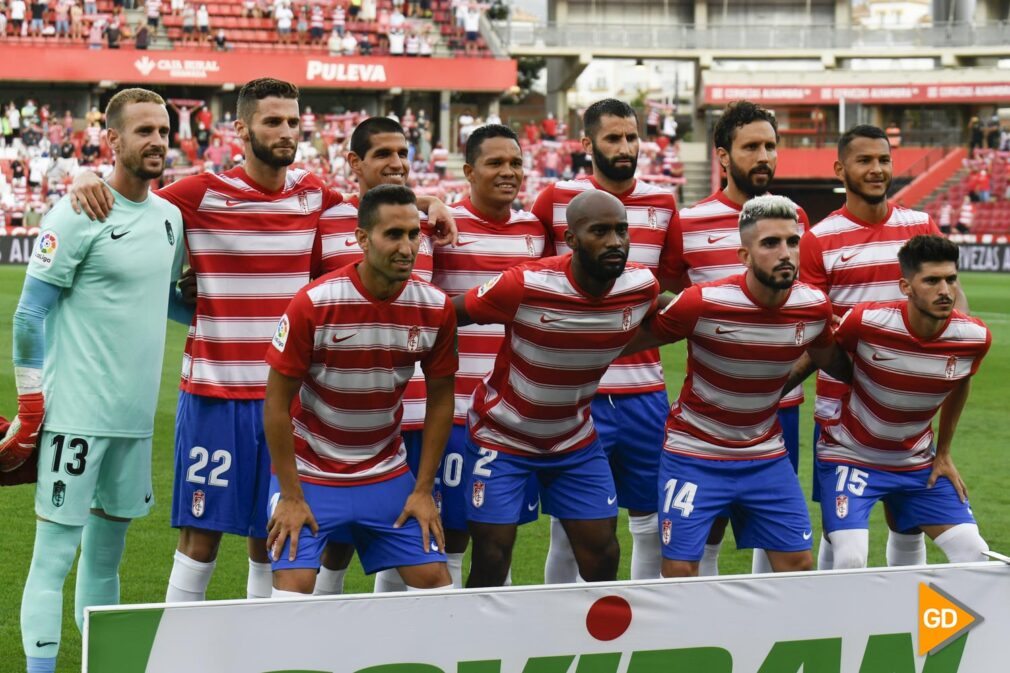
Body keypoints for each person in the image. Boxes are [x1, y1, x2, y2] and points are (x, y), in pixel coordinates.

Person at [68, 79, 457, 603]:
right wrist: (84, 177)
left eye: (293, 122)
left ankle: (257, 653)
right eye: (272, 121)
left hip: (292, 403)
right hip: (217, 395)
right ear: (241, 128)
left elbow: (377, 207)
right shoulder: (199, 193)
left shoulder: (314, 193)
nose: (285, 132)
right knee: (200, 541)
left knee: (272, 538)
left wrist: (429, 200)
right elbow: (134, 204)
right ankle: (180, 656)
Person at [7, 88, 187, 673]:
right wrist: (31, 406)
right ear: (113, 139)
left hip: (133, 424)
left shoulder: (170, 219)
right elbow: (30, 313)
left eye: (163, 130)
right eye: (143, 131)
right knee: (54, 556)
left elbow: (163, 298)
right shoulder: (77, 209)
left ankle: (95, 665)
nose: (157, 141)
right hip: (76, 418)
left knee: (108, 559)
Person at [626, 195, 845, 578]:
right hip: (695, 452)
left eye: (792, 242)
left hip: (764, 453)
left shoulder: (814, 307)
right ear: (744, 256)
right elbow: (634, 339)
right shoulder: (702, 302)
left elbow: (829, 358)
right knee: (679, 571)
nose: (786, 253)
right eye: (770, 243)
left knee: (798, 565)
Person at [455, 189, 659, 587]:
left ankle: (580, 640)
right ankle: (480, 643)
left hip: (573, 438)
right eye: (600, 231)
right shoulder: (525, 283)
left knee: (603, 553)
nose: (615, 242)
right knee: (493, 554)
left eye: (621, 230)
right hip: (502, 435)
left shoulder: (640, 286)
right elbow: (451, 314)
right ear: (571, 240)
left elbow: (675, 312)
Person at [263, 185, 455, 596]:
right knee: (291, 594)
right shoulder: (314, 303)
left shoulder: (436, 307)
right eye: (393, 235)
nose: (407, 247)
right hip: (311, 473)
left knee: (439, 593)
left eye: (413, 234)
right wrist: (291, 495)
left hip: (385, 471)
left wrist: (423, 490)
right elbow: (276, 405)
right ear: (362, 239)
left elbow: (441, 400)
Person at [799, 124, 964, 571]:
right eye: (864, 160)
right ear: (840, 168)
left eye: (883, 160)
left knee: (908, 524)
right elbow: (815, 332)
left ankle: (908, 624)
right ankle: (832, 625)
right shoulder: (819, 239)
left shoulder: (919, 226)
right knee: (841, 535)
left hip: (909, 416)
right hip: (842, 417)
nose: (876, 169)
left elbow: (956, 317)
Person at [531, 98, 679, 581]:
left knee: (652, 522)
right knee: (568, 527)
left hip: (644, 392)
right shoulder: (555, 200)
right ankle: (560, 634)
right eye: (613, 138)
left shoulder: (662, 203)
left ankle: (640, 633)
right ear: (586, 143)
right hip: (575, 393)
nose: (625, 146)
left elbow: (672, 293)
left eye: (632, 137)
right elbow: (536, 276)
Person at [669, 100, 811, 576]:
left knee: (775, 534)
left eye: (771, 145)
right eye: (751, 146)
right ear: (723, 156)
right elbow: (664, 297)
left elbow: (806, 307)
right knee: (703, 534)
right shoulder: (688, 224)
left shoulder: (794, 219)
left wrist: (783, 380)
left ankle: (760, 631)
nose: (764, 156)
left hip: (778, 412)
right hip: (709, 416)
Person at [311, 117, 440, 594]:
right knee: (335, 542)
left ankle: (390, 642)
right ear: (354, 162)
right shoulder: (325, 221)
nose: (397, 163)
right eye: (384, 153)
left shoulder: (425, 222)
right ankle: (324, 629)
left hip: (411, 402)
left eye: (403, 153)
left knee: (405, 528)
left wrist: (433, 202)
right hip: (344, 411)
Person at [807, 235, 990, 568]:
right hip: (850, 456)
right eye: (932, 281)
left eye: (950, 279)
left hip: (916, 462)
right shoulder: (866, 321)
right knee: (850, 558)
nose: (945, 291)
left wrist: (945, 451)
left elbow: (961, 382)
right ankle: (832, 621)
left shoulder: (974, 338)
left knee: (975, 555)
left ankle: (919, 620)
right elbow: (824, 351)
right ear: (906, 286)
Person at [429, 124, 549, 588]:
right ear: (468, 171)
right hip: (457, 410)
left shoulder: (534, 234)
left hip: (515, 417)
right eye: (495, 163)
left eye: (515, 163)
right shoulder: (442, 228)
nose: (508, 172)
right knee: (450, 534)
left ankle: (491, 637)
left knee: (499, 537)